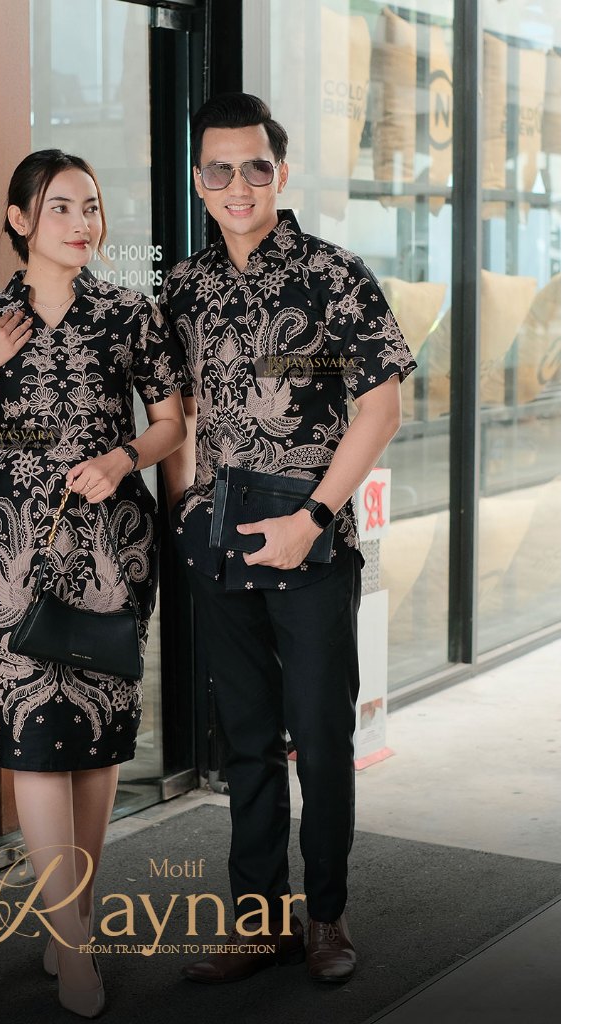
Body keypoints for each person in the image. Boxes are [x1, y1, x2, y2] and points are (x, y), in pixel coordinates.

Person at [158, 94, 416, 985]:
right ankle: (259, 921)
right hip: (220, 547)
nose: (238, 185)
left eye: (256, 167)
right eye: (219, 169)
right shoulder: (183, 288)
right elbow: (177, 412)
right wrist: (185, 509)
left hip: (311, 549)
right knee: (246, 742)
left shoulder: (335, 275)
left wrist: (312, 521)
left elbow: (381, 408)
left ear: (281, 173)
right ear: (199, 180)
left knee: (322, 739)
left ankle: (327, 918)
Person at [0, 149, 187, 1017]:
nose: (84, 223)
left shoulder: (129, 313)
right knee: (34, 734)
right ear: (20, 221)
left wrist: (122, 458)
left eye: (91, 206)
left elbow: (170, 423)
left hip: (113, 549)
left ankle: (68, 919)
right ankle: (76, 950)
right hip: (13, 554)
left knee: (97, 737)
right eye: (61, 208)